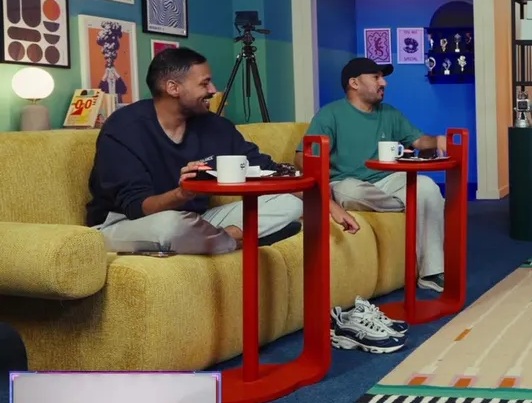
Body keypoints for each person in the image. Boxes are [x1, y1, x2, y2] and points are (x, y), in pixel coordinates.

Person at [86, 48, 313, 255]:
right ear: (173, 88)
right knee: (170, 226)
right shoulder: (124, 129)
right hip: (128, 222)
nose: (213, 90)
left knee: (290, 203)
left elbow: (265, 167)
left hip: (197, 221)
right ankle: (237, 240)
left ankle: (224, 238)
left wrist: (319, 197)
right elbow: (136, 206)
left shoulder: (214, 125)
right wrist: (181, 193)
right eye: (205, 84)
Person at [300, 57, 448, 293]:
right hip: (348, 183)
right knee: (349, 191)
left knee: (428, 187)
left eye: (383, 78)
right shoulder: (330, 115)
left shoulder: (389, 113)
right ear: (354, 83)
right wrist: (321, 182)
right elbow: (303, 156)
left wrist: (437, 140)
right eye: (376, 77)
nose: (384, 83)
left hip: (387, 179)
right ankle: (409, 204)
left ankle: (432, 272)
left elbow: (418, 140)